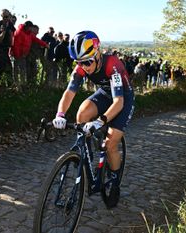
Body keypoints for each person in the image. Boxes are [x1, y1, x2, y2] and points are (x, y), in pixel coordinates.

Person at [52, 31, 135, 209]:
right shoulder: (82, 66)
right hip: (105, 94)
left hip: (123, 99)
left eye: (87, 62)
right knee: (81, 114)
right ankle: (86, 156)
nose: (84, 67)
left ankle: (114, 180)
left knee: (111, 143)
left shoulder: (112, 64)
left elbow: (118, 102)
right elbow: (69, 93)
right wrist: (60, 114)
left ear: (97, 53)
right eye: (79, 62)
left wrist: (100, 121)